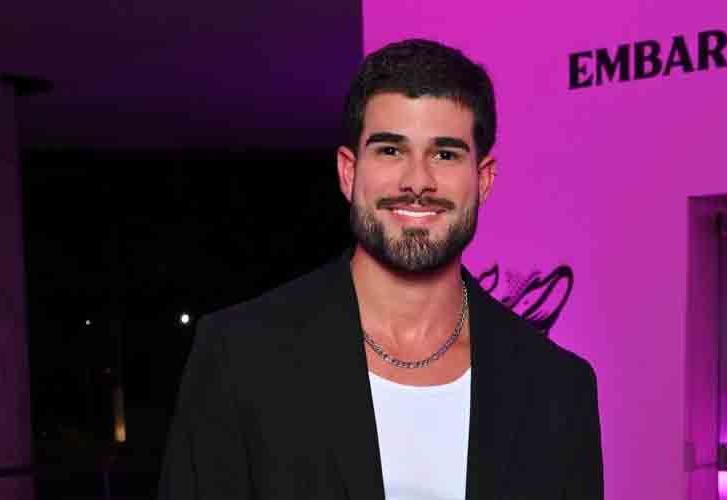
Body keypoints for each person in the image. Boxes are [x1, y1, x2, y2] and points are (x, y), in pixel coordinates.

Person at [159, 39, 603, 499]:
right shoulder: (240, 357)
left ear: (483, 179)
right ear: (348, 173)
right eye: (391, 150)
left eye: (445, 154)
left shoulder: (556, 388)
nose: (417, 181)